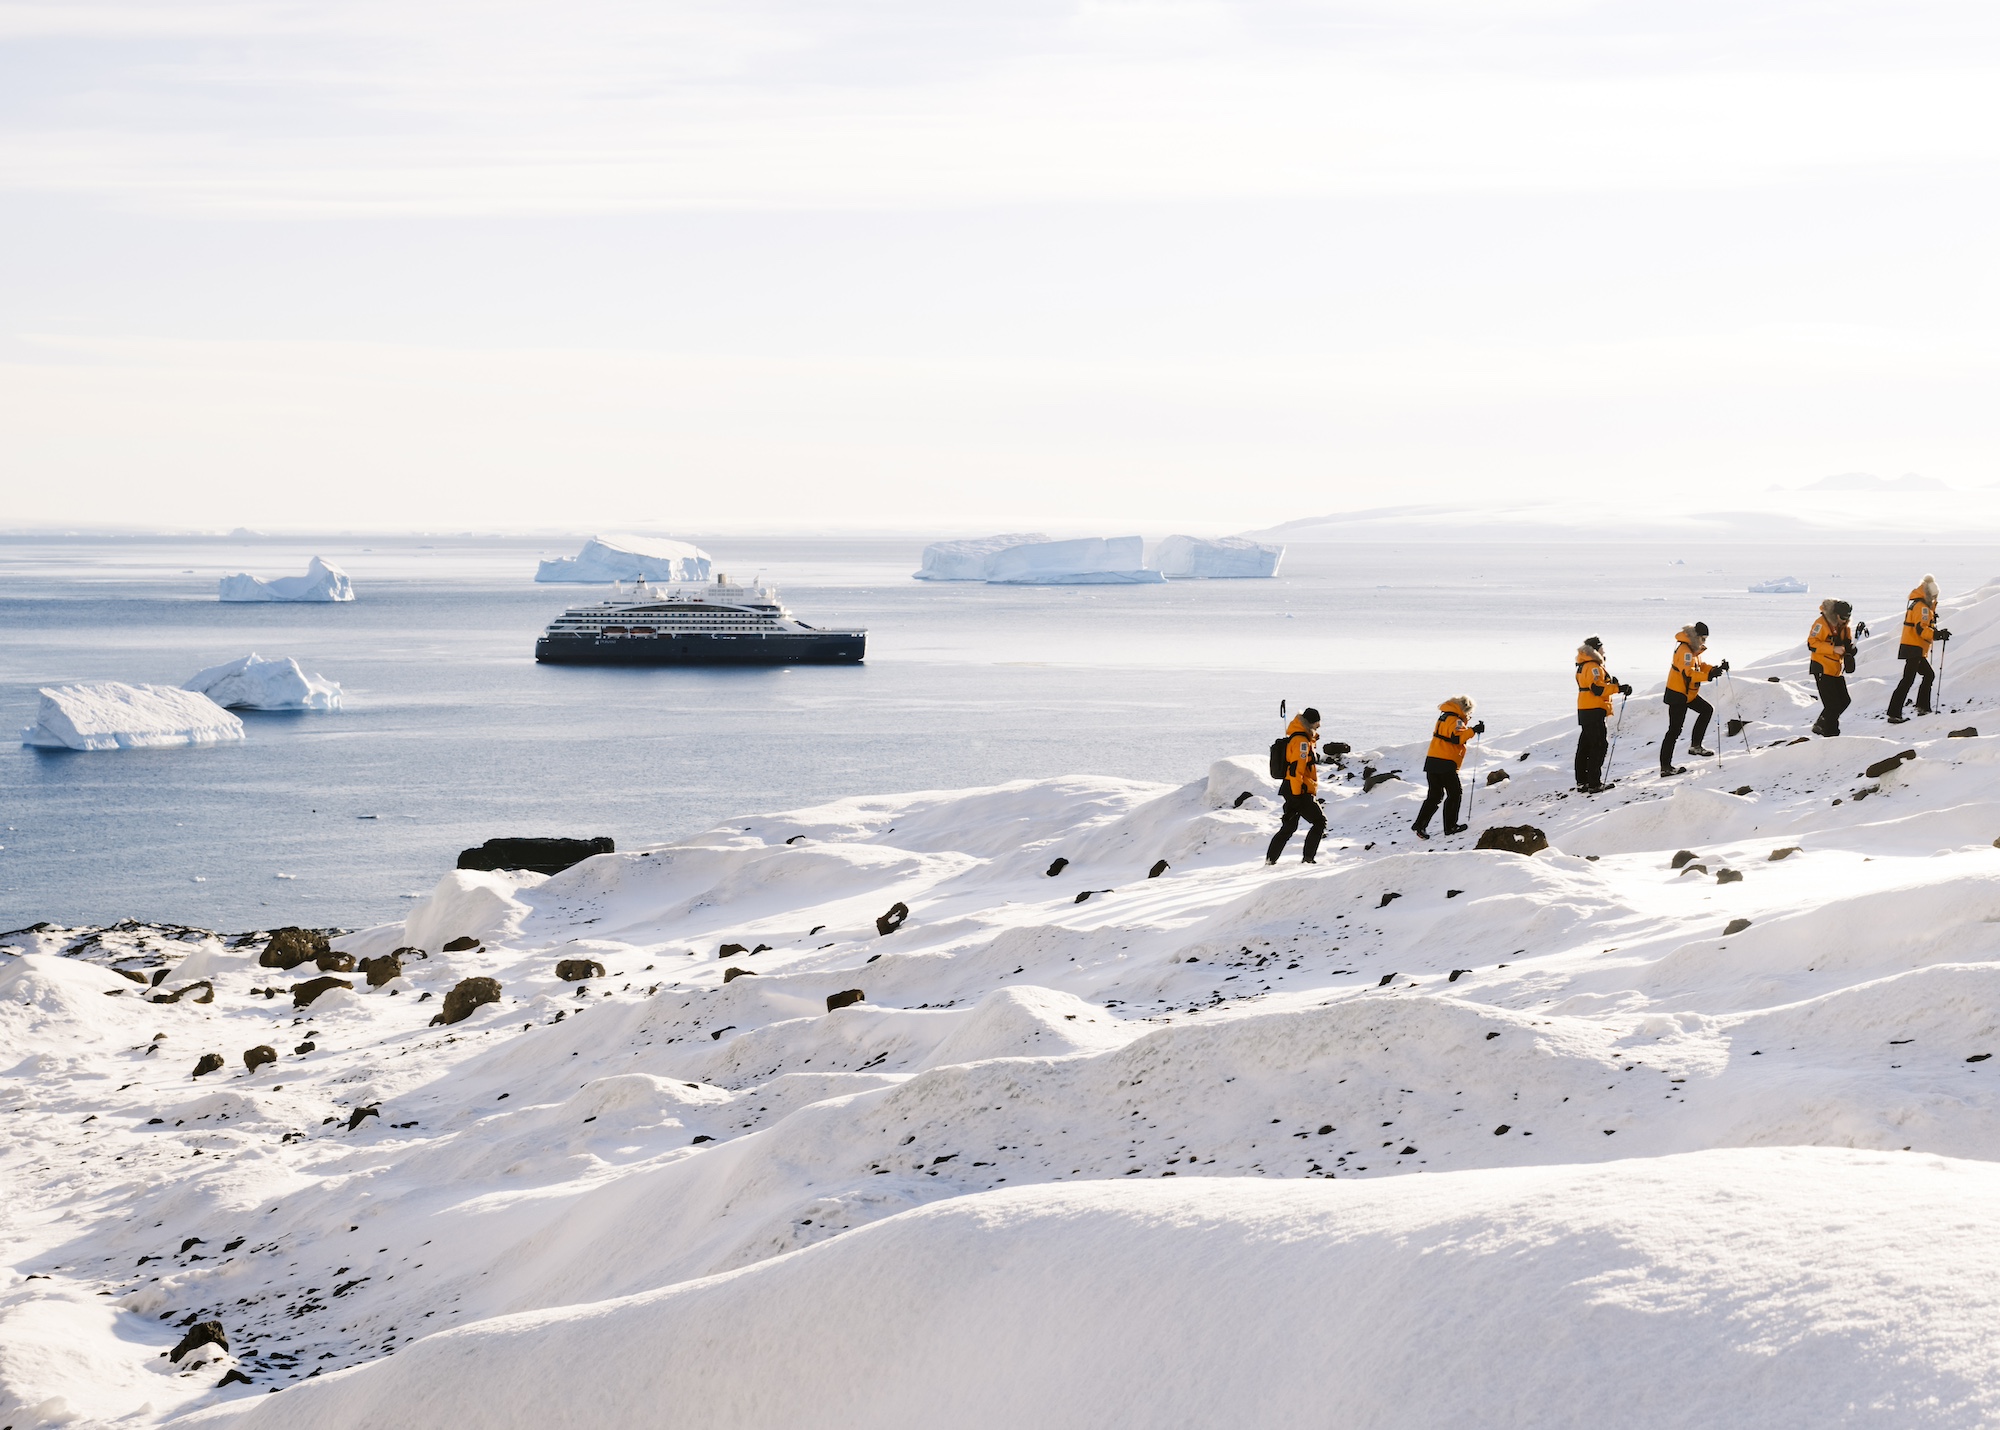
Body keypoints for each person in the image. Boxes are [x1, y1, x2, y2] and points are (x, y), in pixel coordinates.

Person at [1660, 623, 1726, 776]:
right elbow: (1688, 673)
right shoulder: (1685, 650)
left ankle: (1695, 746)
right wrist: (1708, 676)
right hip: (1678, 694)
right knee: (1674, 731)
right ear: (1696, 636)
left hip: (1687, 693)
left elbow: (1700, 665)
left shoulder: (1691, 648)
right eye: (1703, 638)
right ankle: (1666, 767)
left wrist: (1715, 669)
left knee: (1706, 710)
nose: (1704, 641)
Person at [1412, 696, 1482, 839]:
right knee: (1455, 793)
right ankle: (1450, 827)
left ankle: (1420, 825)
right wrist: (1473, 730)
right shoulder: (1456, 720)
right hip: (1445, 761)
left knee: (1435, 796)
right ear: (1464, 708)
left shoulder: (1444, 717)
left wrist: (1469, 729)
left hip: (1432, 760)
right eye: (1469, 712)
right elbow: (1457, 738)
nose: (1469, 715)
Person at [1265, 707, 1326, 865]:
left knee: (1289, 827)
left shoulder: (1303, 738)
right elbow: (1296, 769)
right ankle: (1308, 859)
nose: (1319, 726)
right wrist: (1297, 795)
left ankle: (1270, 861)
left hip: (1293, 788)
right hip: (1298, 789)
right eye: (1318, 723)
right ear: (1312, 723)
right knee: (1319, 822)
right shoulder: (1301, 742)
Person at [1887, 575, 1950, 723]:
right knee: (1909, 680)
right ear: (1931, 594)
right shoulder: (1922, 607)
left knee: (1926, 675)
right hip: (1914, 647)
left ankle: (1921, 707)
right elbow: (1921, 629)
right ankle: (1895, 713)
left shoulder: (1918, 604)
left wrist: (1933, 624)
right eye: (1935, 596)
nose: (1935, 599)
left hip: (1913, 647)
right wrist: (1938, 634)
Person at [1574, 636, 1632, 792]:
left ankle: (1582, 781)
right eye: (1601, 648)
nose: (1604, 650)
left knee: (1585, 746)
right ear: (1595, 650)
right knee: (1599, 745)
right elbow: (1597, 689)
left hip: (1585, 708)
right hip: (1594, 708)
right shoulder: (1593, 666)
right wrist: (1618, 688)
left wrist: (1611, 684)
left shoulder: (1583, 665)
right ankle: (1594, 783)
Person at [1807, 599, 1855, 736]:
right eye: (1843, 617)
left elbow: (1847, 644)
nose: (1845, 620)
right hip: (1822, 667)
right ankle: (1831, 734)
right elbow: (1812, 644)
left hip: (1835, 669)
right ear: (1835, 614)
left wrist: (1850, 651)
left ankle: (1821, 724)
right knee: (1832, 705)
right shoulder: (1821, 624)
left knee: (1844, 701)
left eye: (1848, 617)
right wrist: (1833, 649)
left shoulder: (1845, 626)